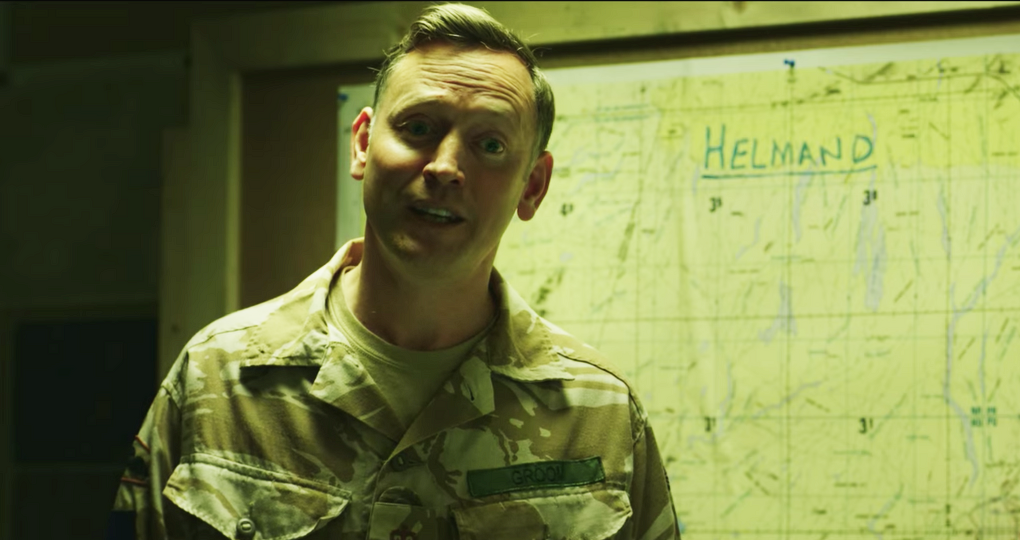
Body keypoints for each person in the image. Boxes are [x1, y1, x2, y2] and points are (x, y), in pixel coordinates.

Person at [109, 4, 679, 538]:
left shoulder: (599, 416)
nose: (445, 167)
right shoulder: (218, 380)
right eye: (418, 128)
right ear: (362, 144)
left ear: (532, 186)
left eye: (489, 144)